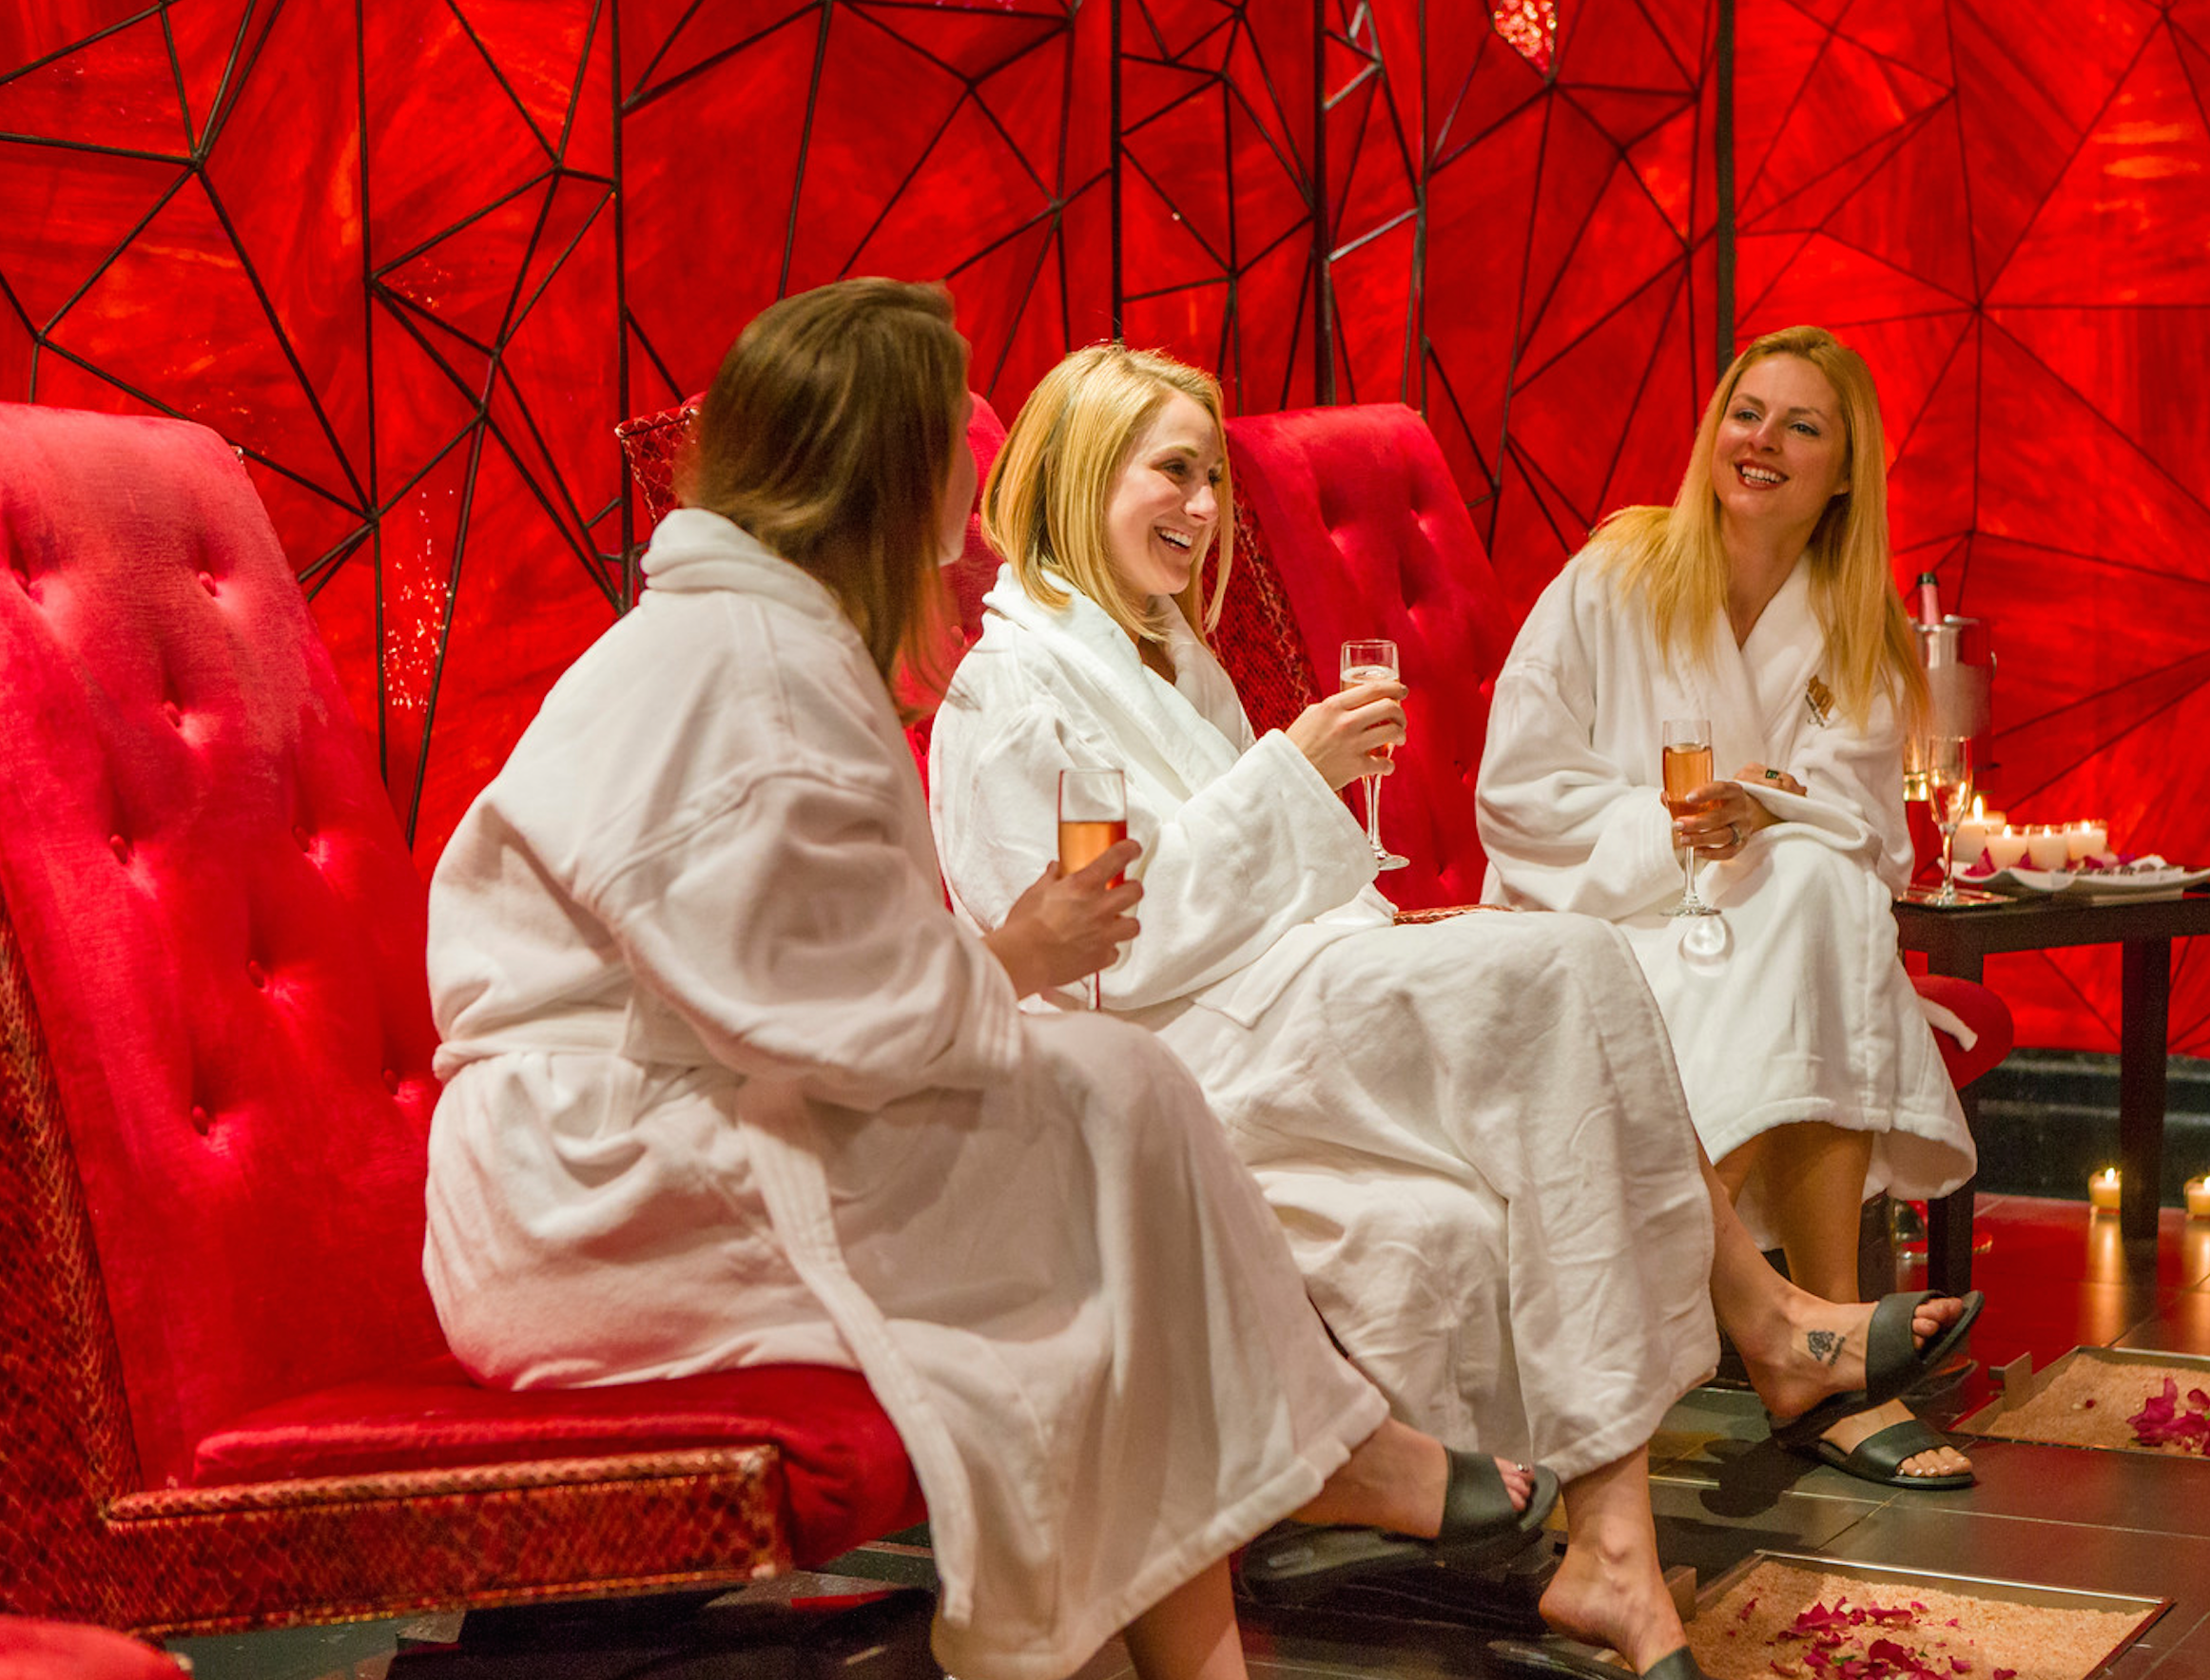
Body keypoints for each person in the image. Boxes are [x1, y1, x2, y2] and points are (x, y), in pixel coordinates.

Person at [419, 280, 1551, 1680]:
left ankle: (1243, 1577)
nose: (973, 502)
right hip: (606, 1202)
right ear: (884, 478)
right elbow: (826, 1008)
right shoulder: (748, 671)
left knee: (1113, 1100)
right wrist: (1013, 958)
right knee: (1110, 1119)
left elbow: (801, 976)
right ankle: (1312, 1465)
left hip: (660, 1135)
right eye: (955, 458)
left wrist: (1007, 965)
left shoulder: (757, 642)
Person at [928, 340, 1978, 1680]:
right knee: (1564, 967)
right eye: (1170, 474)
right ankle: (1761, 1327)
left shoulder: (1158, 660)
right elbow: (1098, 960)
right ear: (1079, 471)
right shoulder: (1007, 688)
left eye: (1210, 479)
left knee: (1557, 1014)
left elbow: (1229, 881)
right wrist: (1290, 779)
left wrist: (1301, 814)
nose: (1200, 509)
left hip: (1272, 1002)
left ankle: (1614, 1535)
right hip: (1169, 1054)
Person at [1475, 324, 1981, 1491]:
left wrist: (1762, 816)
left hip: (1756, 918)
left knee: (1818, 895)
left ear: (1843, 470)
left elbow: (1861, 828)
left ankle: (1761, 1326)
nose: (1761, 442)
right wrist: (1672, 834)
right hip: (1603, 915)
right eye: (1745, 414)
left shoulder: (1859, 632)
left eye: (1801, 426)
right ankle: (1816, 1350)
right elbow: (1518, 788)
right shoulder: (1614, 575)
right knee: (1819, 921)